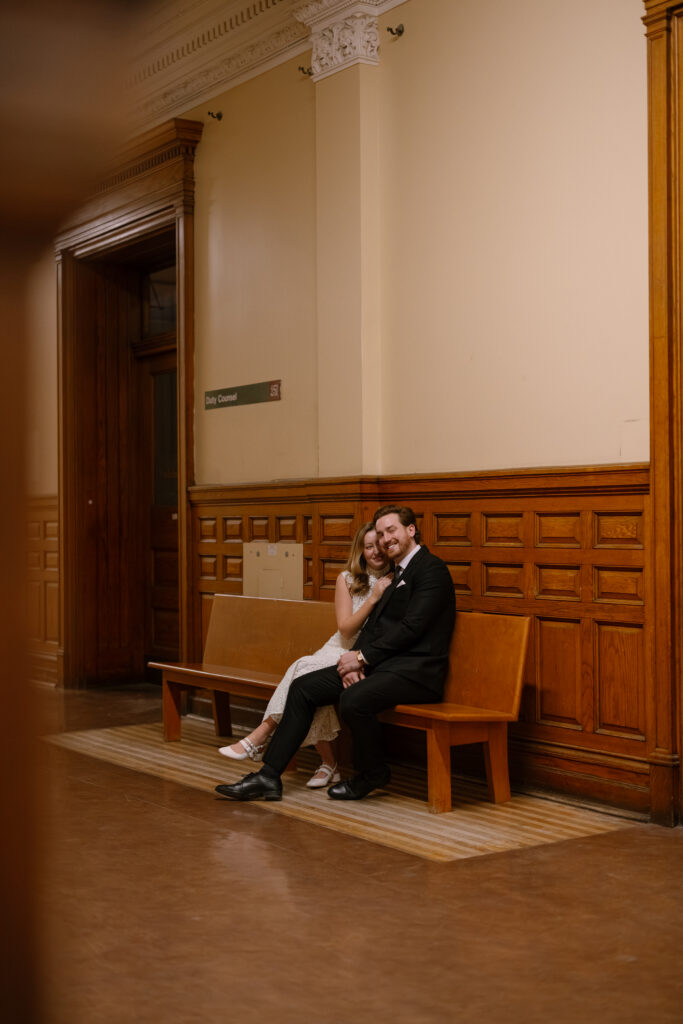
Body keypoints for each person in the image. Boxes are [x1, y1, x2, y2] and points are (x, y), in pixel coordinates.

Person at [215, 505, 456, 803]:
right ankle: (268, 776)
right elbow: (375, 626)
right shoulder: (397, 572)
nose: (385, 539)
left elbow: (412, 627)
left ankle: (373, 773)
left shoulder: (432, 570)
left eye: (391, 530)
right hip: (384, 667)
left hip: (417, 673)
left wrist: (362, 658)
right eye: (380, 534)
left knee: (353, 699)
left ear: (410, 529)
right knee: (304, 688)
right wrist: (353, 660)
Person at [218, 522, 392, 787]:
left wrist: (380, 592)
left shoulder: (393, 580)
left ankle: (264, 737)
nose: (375, 552)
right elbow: (345, 629)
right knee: (307, 675)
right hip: (338, 648)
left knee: (304, 671)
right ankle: (324, 762)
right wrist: (373, 598)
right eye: (368, 547)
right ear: (360, 550)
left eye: (379, 546)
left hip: (362, 655)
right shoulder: (347, 579)